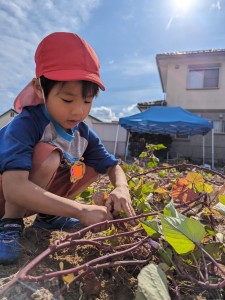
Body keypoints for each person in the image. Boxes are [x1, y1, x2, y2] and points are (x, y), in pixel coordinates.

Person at [0, 32, 136, 265]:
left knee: (93, 165)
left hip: (28, 197)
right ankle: (9, 224)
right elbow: (13, 188)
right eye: (67, 100)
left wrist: (121, 188)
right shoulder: (26, 124)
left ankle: (48, 216)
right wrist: (80, 210)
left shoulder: (82, 133)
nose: (78, 111)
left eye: (87, 101)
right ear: (40, 88)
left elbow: (113, 166)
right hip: (6, 195)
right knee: (49, 156)